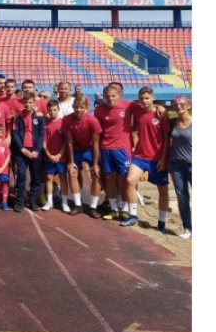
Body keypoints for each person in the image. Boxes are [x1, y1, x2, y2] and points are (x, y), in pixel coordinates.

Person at [123, 87, 170, 230]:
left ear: (153, 98)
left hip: (157, 157)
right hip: (140, 156)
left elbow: (167, 138)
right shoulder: (137, 109)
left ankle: (161, 223)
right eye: (141, 98)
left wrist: (163, 158)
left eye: (147, 98)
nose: (144, 101)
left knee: (162, 189)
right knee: (130, 180)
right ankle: (133, 215)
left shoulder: (161, 113)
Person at [94, 85, 133, 220]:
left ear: (119, 95)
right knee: (109, 178)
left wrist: (159, 108)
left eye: (113, 96)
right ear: (104, 96)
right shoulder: (99, 110)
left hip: (123, 149)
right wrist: (97, 151)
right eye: (107, 96)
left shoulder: (129, 105)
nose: (110, 99)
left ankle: (126, 208)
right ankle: (114, 208)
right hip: (106, 148)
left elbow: (147, 108)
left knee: (124, 179)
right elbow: (97, 133)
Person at [63, 95, 102, 216]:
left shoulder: (92, 121)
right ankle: (78, 205)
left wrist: (95, 164)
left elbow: (96, 144)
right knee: (72, 172)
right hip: (76, 149)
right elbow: (69, 141)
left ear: (86, 107)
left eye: (81, 107)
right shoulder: (67, 119)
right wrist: (71, 161)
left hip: (90, 149)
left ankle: (93, 207)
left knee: (96, 173)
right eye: (76, 107)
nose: (78, 110)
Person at [12, 93, 45, 212]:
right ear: (22, 103)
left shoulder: (39, 118)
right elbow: (15, 134)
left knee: (36, 177)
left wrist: (37, 150)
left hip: (35, 152)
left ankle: (32, 201)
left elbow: (41, 136)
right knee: (21, 175)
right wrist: (21, 148)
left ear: (34, 103)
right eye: (26, 102)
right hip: (22, 151)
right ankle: (19, 201)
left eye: (30, 102)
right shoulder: (18, 117)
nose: (28, 104)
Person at [167, 95, 192, 239]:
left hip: (192, 165)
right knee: (182, 198)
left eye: (182, 104)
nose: (179, 107)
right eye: (176, 104)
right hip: (176, 165)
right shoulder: (172, 123)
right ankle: (188, 229)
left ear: (189, 105)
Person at [42, 100, 68, 212]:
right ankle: (49, 201)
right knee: (48, 178)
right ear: (47, 111)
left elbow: (66, 141)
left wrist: (59, 154)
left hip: (61, 157)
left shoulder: (63, 123)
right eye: (50, 110)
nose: (52, 112)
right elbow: (43, 142)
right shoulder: (45, 124)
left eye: (54, 110)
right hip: (49, 156)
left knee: (62, 178)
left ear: (58, 109)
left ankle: (65, 202)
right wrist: (49, 155)